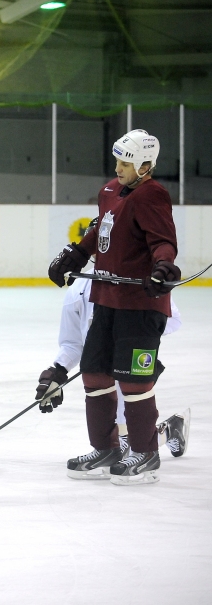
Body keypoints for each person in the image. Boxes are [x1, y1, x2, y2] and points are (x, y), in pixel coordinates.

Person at [48, 131, 182, 484]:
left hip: (140, 305)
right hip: (106, 299)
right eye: (118, 160)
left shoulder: (153, 195)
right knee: (94, 374)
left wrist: (163, 268)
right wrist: (75, 254)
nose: (118, 167)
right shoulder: (109, 191)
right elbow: (99, 234)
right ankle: (107, 448)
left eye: (126, 162)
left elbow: (164, 241)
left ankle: (145, 453)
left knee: (134, 382)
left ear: (145, 165)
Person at [37, 271, 189, 459]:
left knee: (131, 444)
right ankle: (171, 430)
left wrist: (135, 335)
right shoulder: (78, 289)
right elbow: (72, 343)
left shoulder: (136, 277)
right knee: (116, 444)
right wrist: (58, 371)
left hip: (131, 364)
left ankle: (168, 432)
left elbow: (173, 319)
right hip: (100, 370)